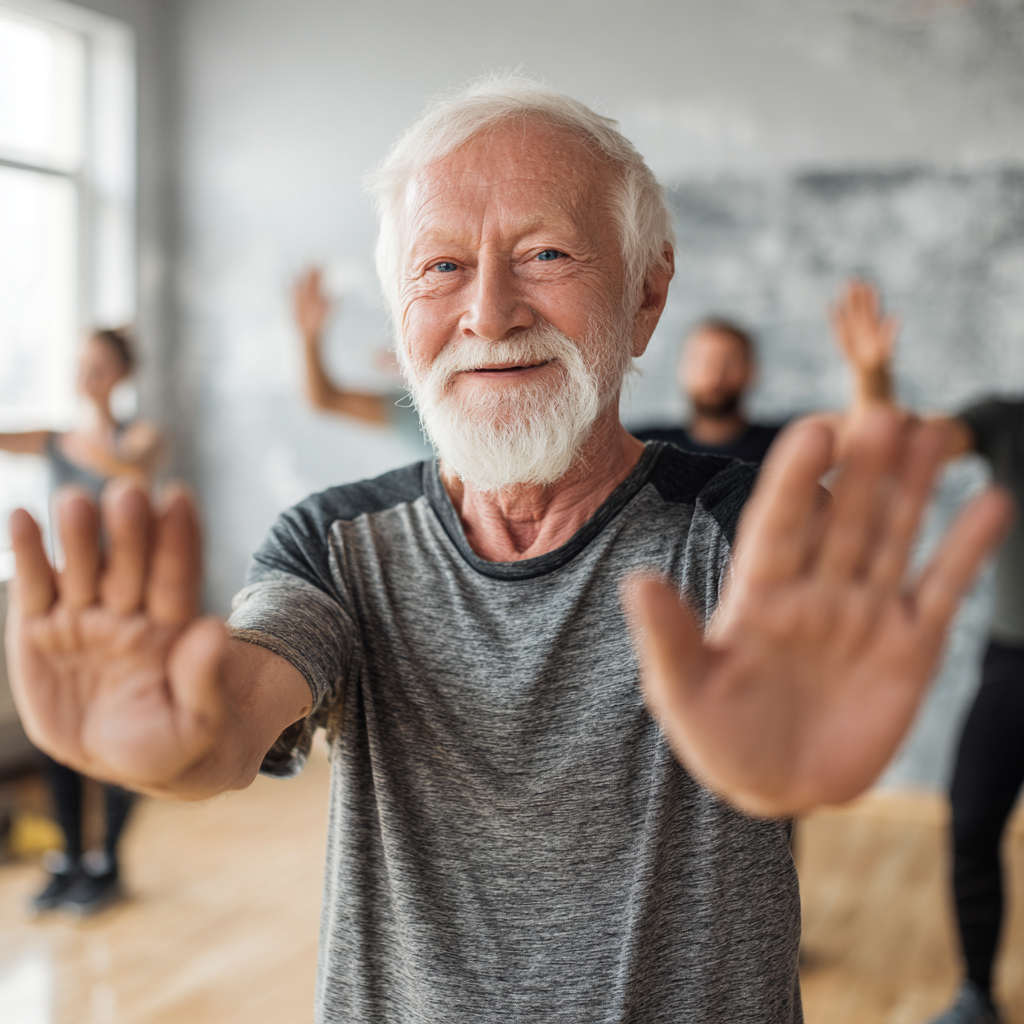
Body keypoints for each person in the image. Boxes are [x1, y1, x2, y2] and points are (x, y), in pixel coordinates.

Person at [6, 78, 1012, 1022]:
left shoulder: (737, 525)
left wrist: (780, 761)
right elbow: (233, 707)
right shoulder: (338, 543)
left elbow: (792, 662)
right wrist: (176, 743)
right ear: (401, 320)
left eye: (544, 255)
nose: (489, 312)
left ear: (645, 298)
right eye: (441, 266)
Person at [833, 279, 1023, 1024]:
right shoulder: (1008, 421)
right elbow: (902, 445)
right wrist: (872, 378)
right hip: (1012, 662)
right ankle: (977, 991)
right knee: (972, 821)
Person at [0, 327, 162, 915]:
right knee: (55, 734)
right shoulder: (51, 439)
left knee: (119, 733)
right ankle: (70, 856)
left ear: (121, 374)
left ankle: (108, 861)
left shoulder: (140, 435)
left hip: (123, 607)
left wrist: (83, 432)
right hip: (66, 605)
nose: (86, 376)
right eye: (80, 366)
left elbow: (131, 468)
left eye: (98, 367)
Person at [293, 266, 432, 456]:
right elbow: (324, 399)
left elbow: (325, 400)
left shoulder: (423, 417)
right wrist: (310, 335)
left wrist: (310, 335)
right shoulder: (421, 417)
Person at [633, 317, 785, 463]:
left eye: (730, 363)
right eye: (703, 362)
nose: (715, 375)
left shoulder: (783, 448)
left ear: (751, 371)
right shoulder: (640, 448)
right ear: (681, 369)